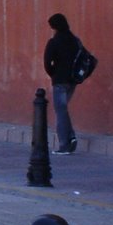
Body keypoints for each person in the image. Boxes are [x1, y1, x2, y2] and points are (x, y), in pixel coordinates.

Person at [43, 12, 79, 154]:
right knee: (63, 110)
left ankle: (64, 144)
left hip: (59, 81)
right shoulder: (74, 40)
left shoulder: (54, 42)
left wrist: (53, 73)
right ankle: (71, 137)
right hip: (72, 80)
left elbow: (47, 62)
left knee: (60, 111)